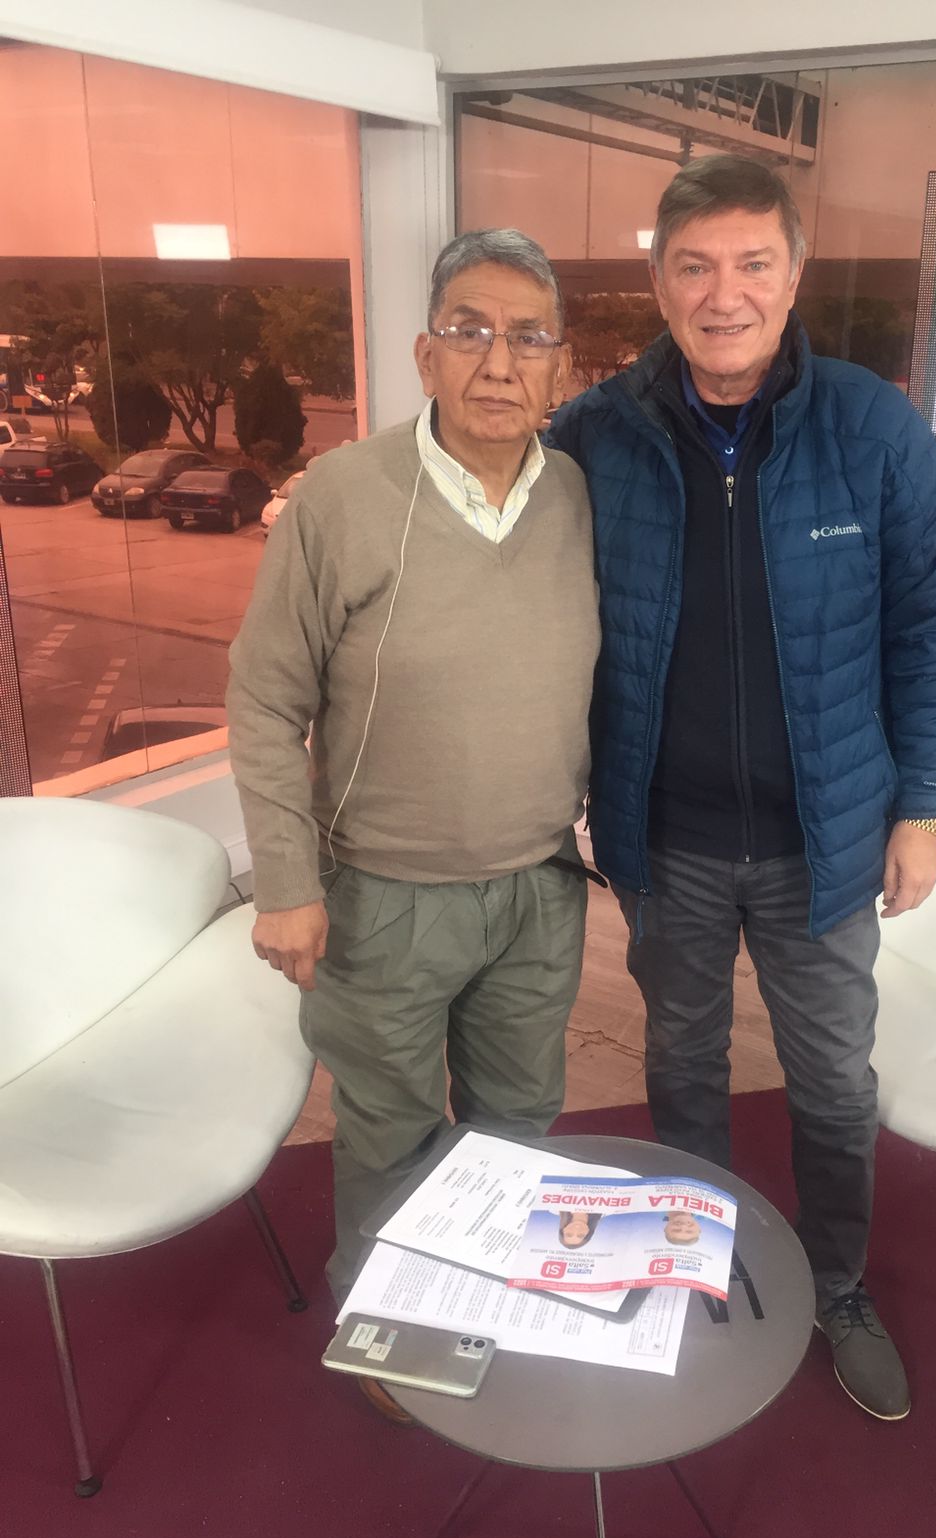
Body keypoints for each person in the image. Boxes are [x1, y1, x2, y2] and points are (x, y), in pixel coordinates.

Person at [549, 155, 936, 1424]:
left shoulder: (873, 431)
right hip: (666, 837)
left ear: (793, 276)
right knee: (682, 1067)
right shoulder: (597, 437)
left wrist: (926, 808)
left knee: (835, 1084)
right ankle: (693, 1271)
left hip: (824, 841)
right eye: (694, 266)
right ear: (660, 284)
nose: (722, 293)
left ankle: (838, 1286)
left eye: (750, 263)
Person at [227, 228, 600, 1419]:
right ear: (426, 354)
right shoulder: (343, 496)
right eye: (471, 331)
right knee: (388, 1135)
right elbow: (264, 699)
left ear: (561, 366)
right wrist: (287, 881)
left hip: (537, 889)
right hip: (380, 898)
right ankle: (393, 1336)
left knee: (516, 1124)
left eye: (528, 338)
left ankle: (487, 1299)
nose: (500, 362)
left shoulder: (577, 496)